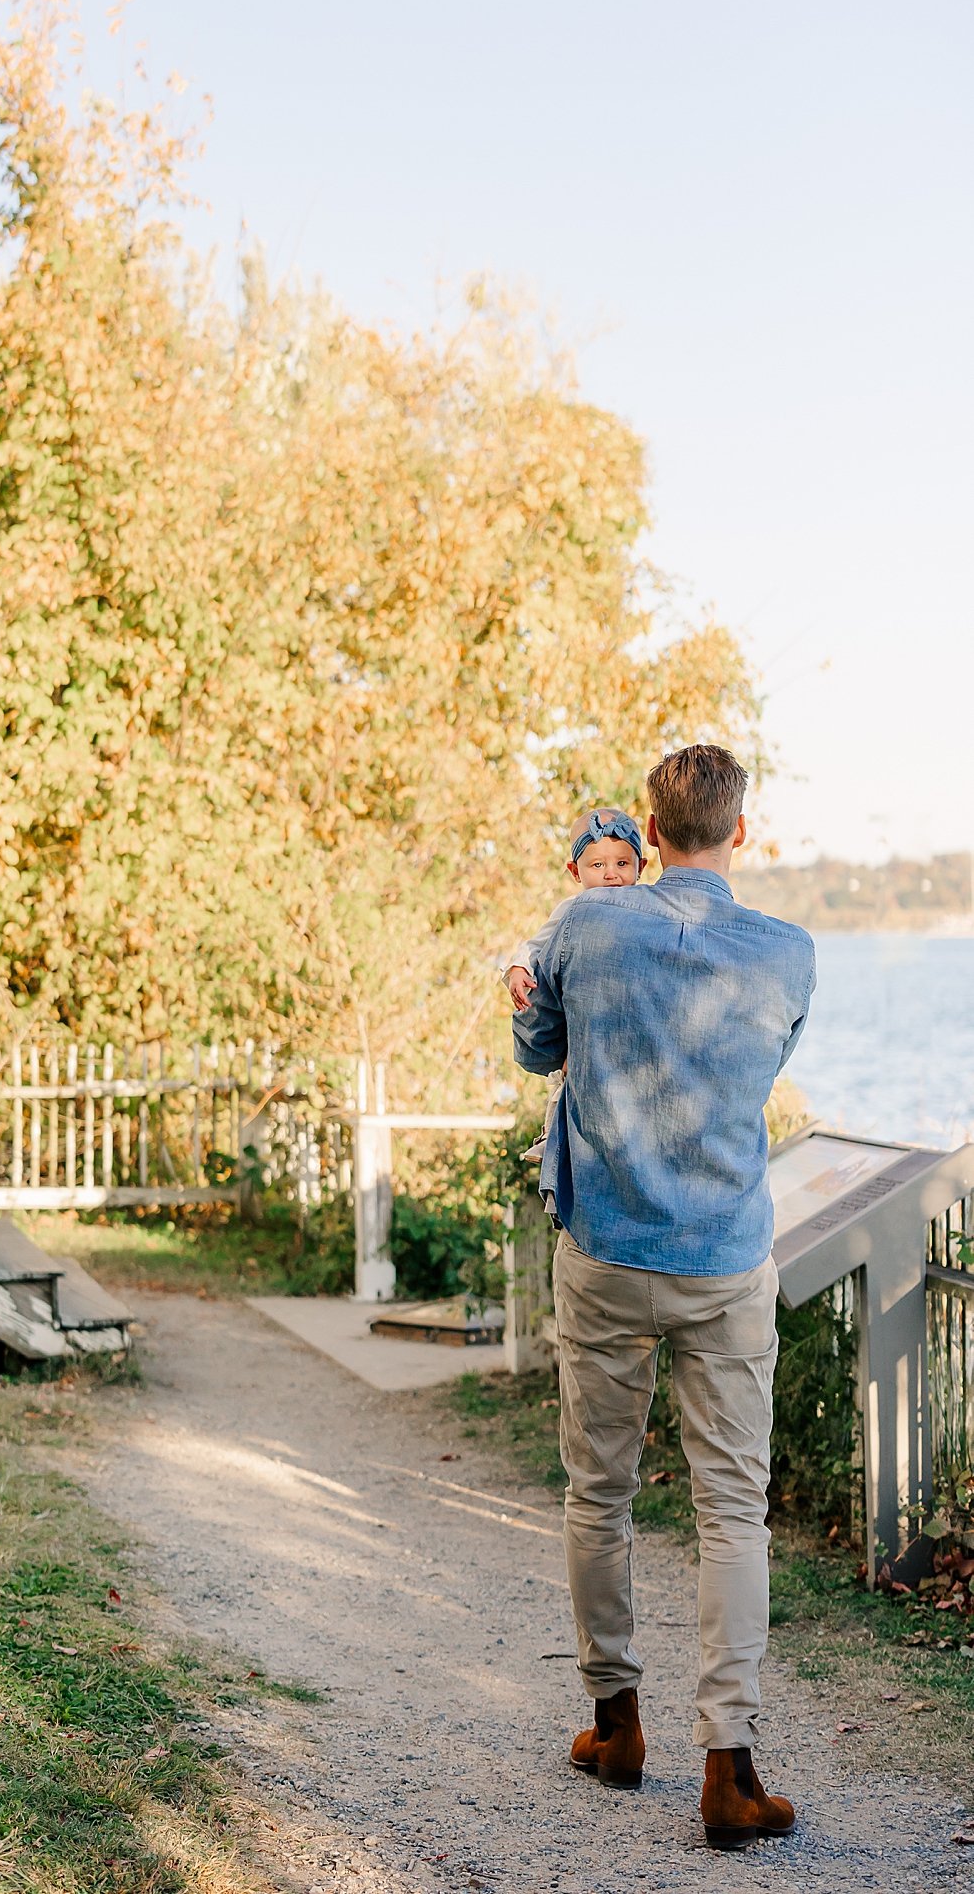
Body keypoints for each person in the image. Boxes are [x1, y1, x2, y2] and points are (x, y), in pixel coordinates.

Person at [512, 743, 815, 1852]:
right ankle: (729, 1771)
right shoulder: (789, 953)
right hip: (725, 1261)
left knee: (601, 1494)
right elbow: (759, 1072)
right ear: (741, 828)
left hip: (604, 1248)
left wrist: (530, 1006)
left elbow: (541, 1045)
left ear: (650, 826)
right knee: (733, 1511)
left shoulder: (586, 926)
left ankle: (617, 1726)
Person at [500, 808, 649, 1164]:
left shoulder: (647, 906)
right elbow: (538, 944)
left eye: (622, 864)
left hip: (629, 1009)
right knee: (570, 1069)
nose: (611, 874)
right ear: (575, 871)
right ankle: (552, 1133)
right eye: (597, 866)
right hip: (588, 1010)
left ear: (641, 866)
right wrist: (518, 967)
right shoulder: (574, 909)